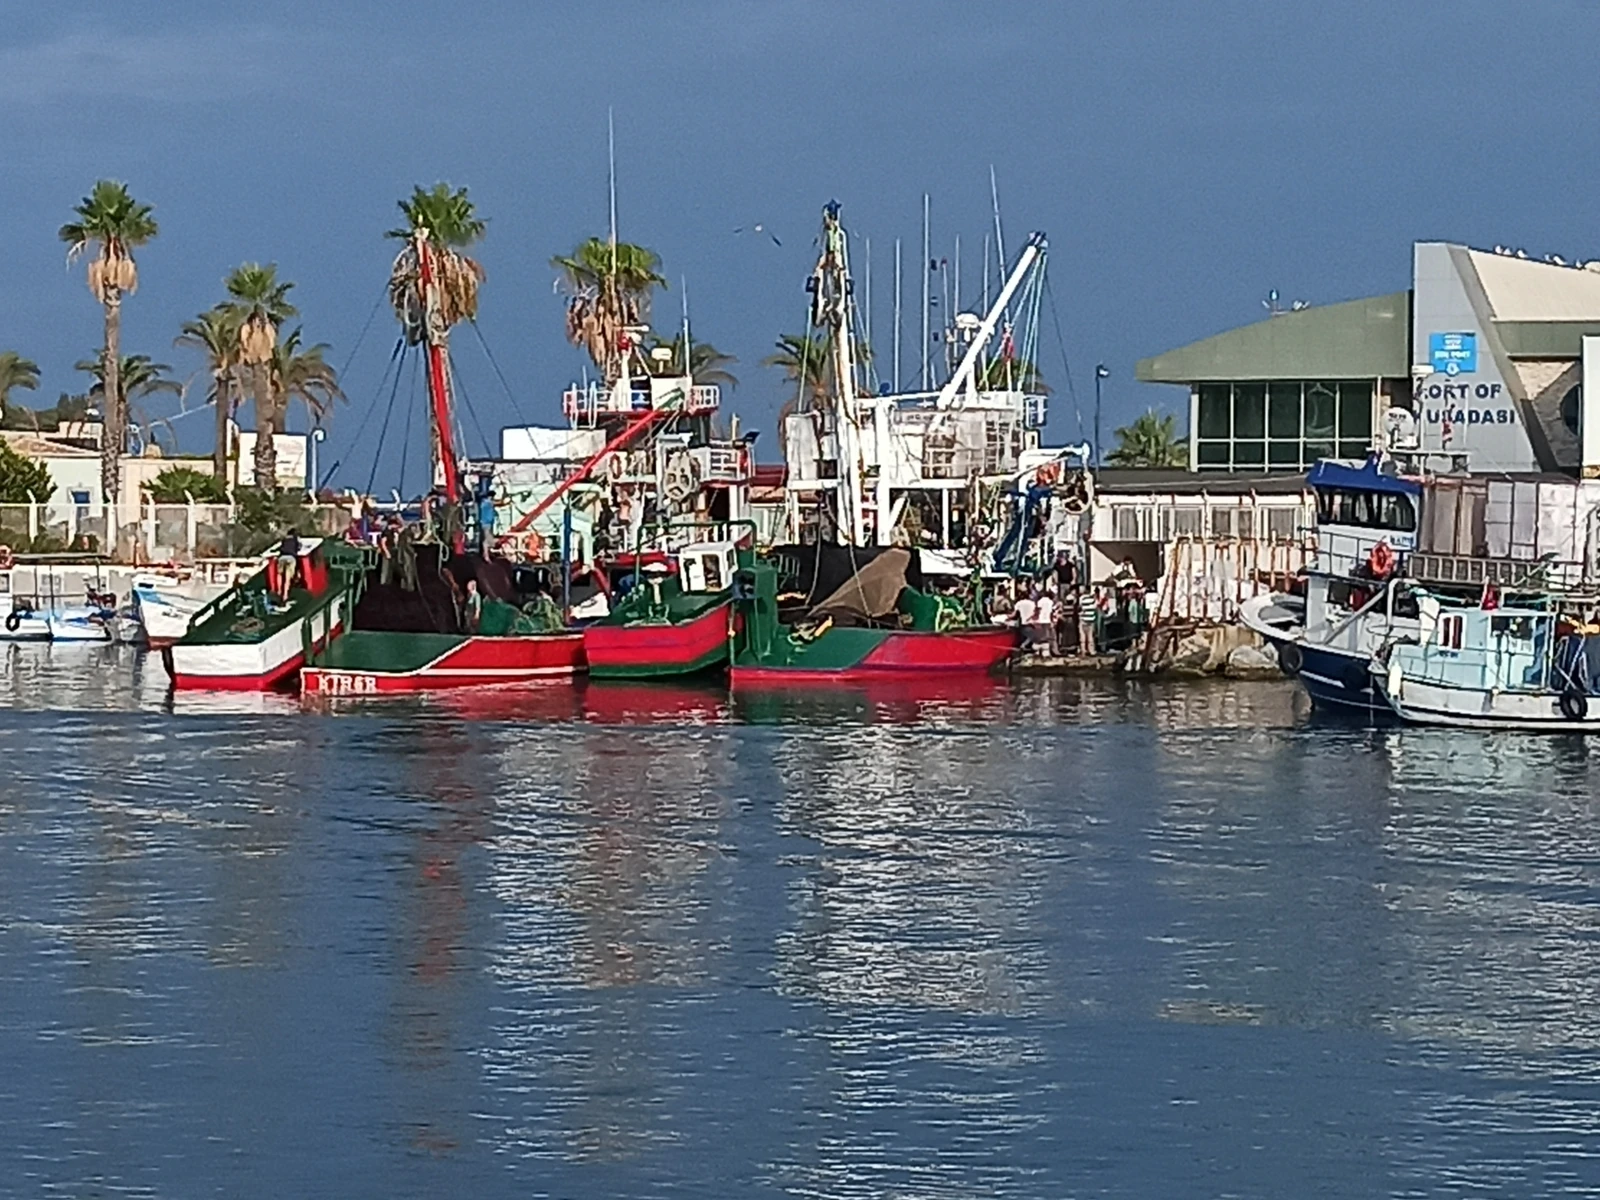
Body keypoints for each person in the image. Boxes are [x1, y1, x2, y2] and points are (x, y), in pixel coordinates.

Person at [273, 530, 301, 605]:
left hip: (282, 558)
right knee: (287, 579)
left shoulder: (284, 540)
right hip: (291, 558)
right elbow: (298, 548)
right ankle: (285, 595)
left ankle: (279, 590)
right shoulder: (295, 540)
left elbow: (279, 548)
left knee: (279, 574)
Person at [1033, 588, 1057, 656]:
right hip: (1048, 620)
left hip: (1040, 620)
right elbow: (1052, 612)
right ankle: (1046, 652)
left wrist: (1035, 618)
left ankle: (1038, 651)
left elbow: (1038, 610)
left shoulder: (1040, 601)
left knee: (1040, 636)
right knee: (1047, 636)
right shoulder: (1050, 601)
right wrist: (1052, 621)